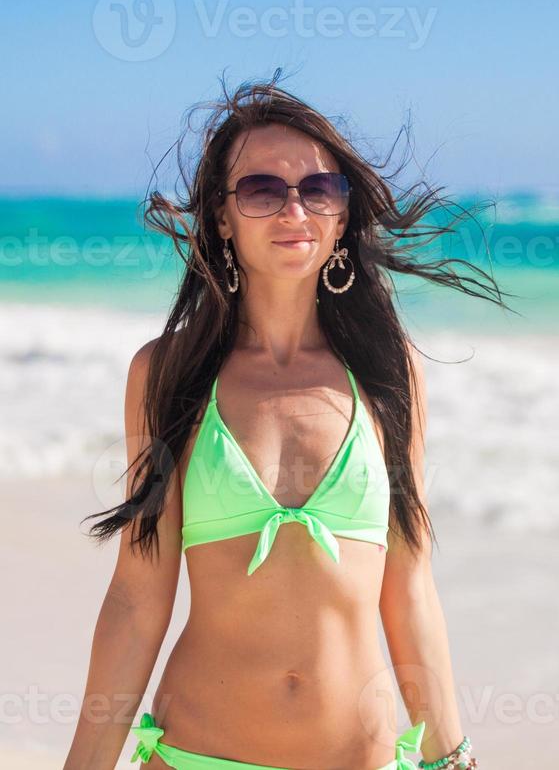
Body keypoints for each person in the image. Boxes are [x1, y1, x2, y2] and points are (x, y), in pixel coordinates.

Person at [64, 73, 512, 769]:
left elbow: (410, 586)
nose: (293, 209)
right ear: (220, 216)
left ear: (340, 214)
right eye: (263, 190)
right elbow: (136, 593)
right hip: (195, 757)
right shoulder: (170, 374)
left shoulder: (388, 378)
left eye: (319, 189)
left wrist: (451, 758)